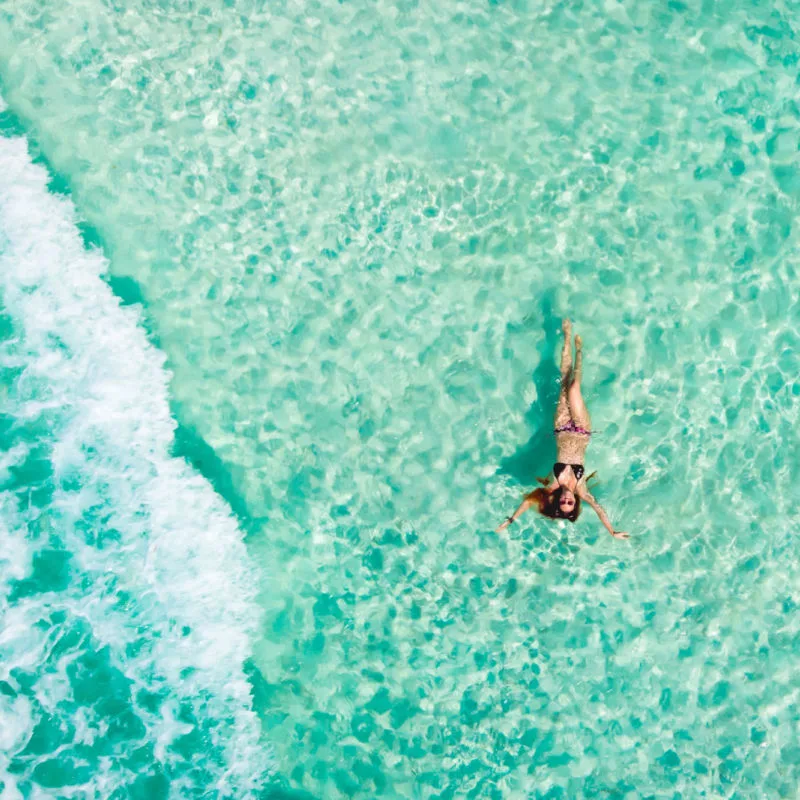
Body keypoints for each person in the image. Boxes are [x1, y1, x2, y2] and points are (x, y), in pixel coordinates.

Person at [496, 319, 629, 539]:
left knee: (564, 381)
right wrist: (612, 531)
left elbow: (530, 500)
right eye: (570, 503)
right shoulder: (582, 490)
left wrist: (512, 519)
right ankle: (579, 351)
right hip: (582, 429)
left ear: (558, 500)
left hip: (561, 427)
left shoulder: (553, 484)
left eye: (563, 502)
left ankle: (567, 338)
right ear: (575, 502)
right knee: (574, 387)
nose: (567, 499)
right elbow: (598, 509)